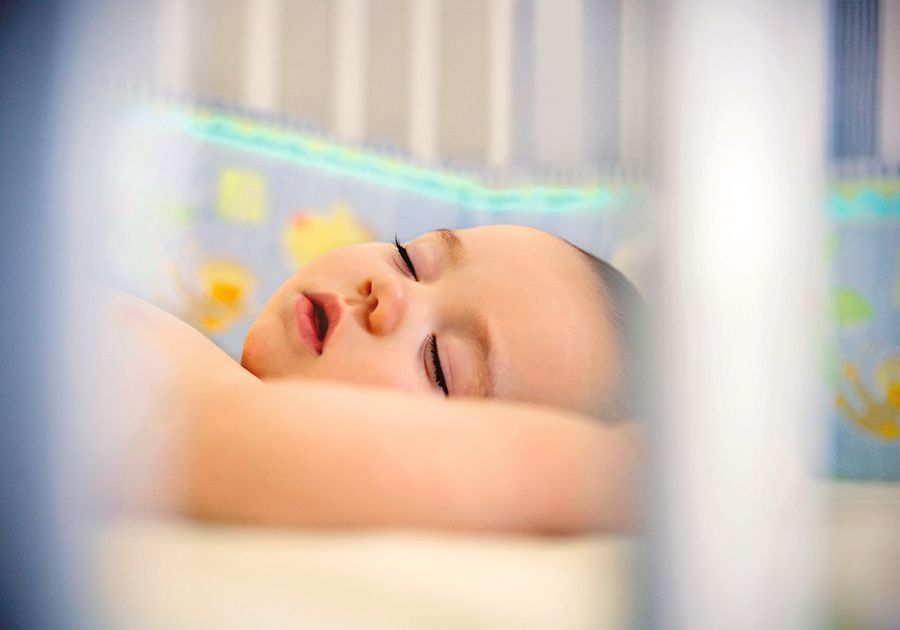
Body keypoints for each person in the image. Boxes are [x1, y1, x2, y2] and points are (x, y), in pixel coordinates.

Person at [102, 224, 645, 535]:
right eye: (410, 259)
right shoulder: (210, 386)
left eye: (439, 364)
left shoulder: (219, 424)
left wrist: (603, 471)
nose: (389, 292)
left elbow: (248, 448)